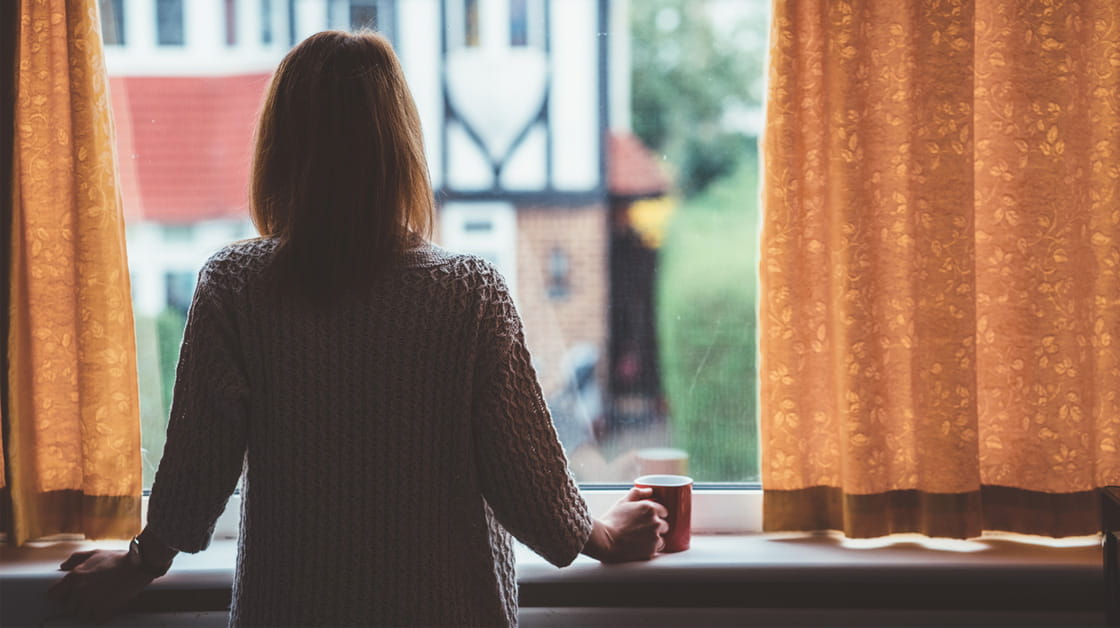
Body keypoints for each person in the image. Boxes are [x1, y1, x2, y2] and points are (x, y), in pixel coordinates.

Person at [47, 30, 669, 627]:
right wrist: (604, 537)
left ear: (279, 150)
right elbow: (531, 487)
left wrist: (137, 566)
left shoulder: (235, 286)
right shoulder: (471, 293)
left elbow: (194, 475)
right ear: (401, 150)